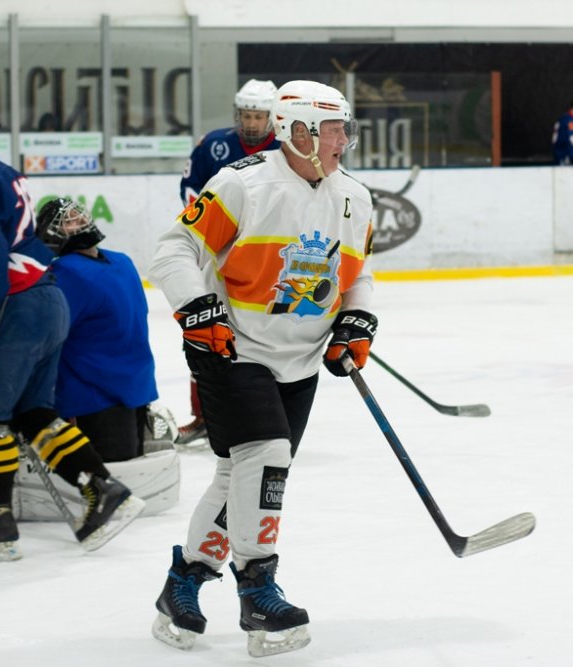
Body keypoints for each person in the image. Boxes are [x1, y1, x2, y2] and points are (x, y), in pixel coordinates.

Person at [149, 80, 377, 657]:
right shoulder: (240, 184)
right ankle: (257, 589)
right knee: (268, 459)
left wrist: (357, 319)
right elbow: (173, 249)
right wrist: (195, 307)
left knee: (243, 476)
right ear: (296, 132)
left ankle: (184, 582)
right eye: (333, 130)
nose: (343, 141)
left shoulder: (355, 196)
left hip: (299, 357)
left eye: (344, 130)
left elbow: (359, 274)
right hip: (231, 347)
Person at [0, 99, 143, 563]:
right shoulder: (3, 174)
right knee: (32, 411)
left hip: (14, 308)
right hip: (48, 298)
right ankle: (102, 489)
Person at [12, 197, 180, 516]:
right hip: (114, 394)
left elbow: (36, 336)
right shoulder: (110, 263)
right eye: (67, 221)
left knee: (110, 478)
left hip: (108, 396)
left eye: (78, 216)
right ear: (52, 235)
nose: (78, 222)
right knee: (121, 470)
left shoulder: (81, 269)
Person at [176, 79, 279, 446]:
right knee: (205, 330)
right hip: (215, 255)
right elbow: (191, 191)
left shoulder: (286, 149)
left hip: (266, 260)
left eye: (258, 116)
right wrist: (214, 234)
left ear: (272, 117)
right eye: (246, 115)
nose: (251, 123)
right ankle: (204, 416)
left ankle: (263, 417)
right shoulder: (214, 145)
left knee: (261, 338)